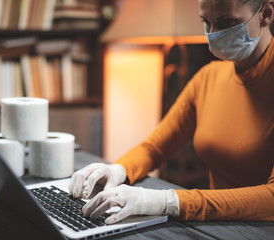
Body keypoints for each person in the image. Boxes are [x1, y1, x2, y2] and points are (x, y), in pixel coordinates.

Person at [69, 0, 274, 224]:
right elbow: (155, 148)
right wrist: (119, 169)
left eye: (227, 23)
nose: (213, 34)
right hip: (219, 223)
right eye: (206, 23)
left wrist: (169, 202)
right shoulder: (209, 77)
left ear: (266, 14)